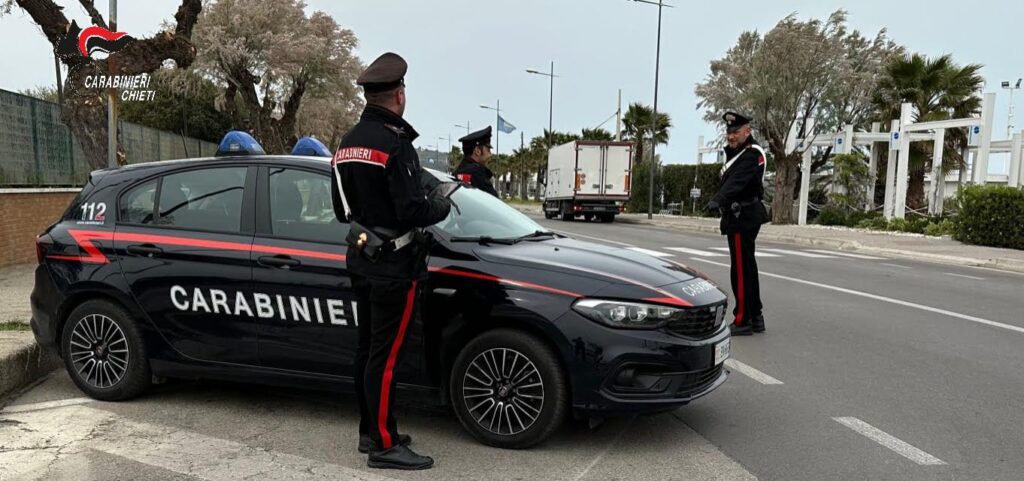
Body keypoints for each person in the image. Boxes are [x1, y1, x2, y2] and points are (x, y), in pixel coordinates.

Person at [331, 52, 452, 470]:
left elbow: (341, 209)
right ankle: (384, 446)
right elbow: (413, 211)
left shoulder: (346, 144)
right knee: (386, 358)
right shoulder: (396, 144)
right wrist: (441, 204)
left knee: (367, 350)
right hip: (394, 267)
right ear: (399, 95)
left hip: (361, 258)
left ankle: (371, 431)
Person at [706, 112, 770, 336]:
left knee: (741, 272)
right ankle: (756, 316)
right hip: (742, 215)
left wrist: (717, 200)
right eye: (729, 132)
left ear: (747, 131)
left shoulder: (752, 155)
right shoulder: (740, 153)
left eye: (736, 132)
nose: (731, 136)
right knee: (748, 268)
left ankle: (743, 320)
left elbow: (736, 182)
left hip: (742, 216)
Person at [454, 126, 499, 197]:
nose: (490, 155)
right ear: (477, 151)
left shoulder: (460, 171)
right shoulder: (476, 173)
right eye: (488, 150)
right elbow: (494, 200)